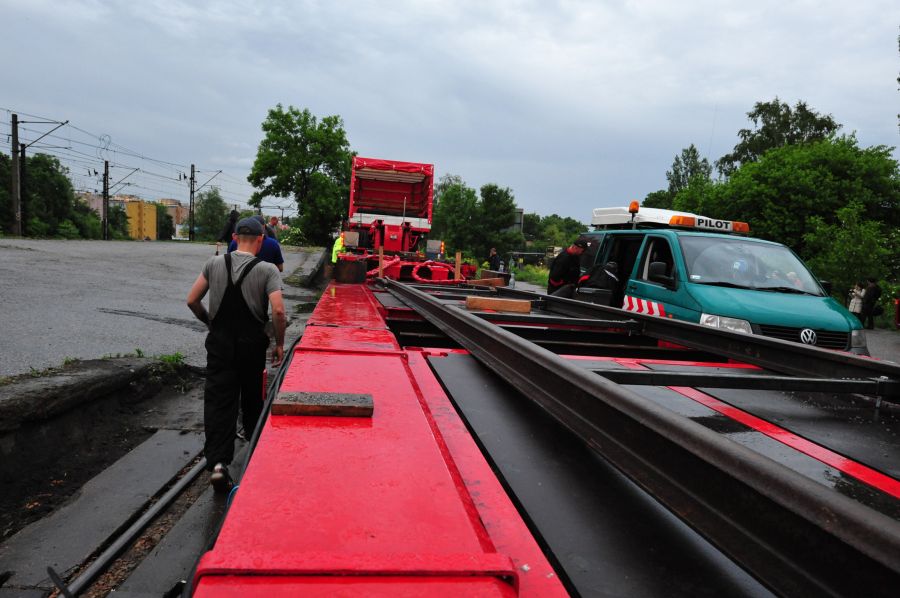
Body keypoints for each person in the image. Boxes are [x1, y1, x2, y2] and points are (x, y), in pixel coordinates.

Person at [187, 217, 287, 492]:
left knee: (219, 401)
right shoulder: (267, 270)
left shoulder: (214, 263)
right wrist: (279, 344)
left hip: (219, 344)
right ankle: (255, 462)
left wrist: (210, 322)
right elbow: (278, 311)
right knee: (253, 399)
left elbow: (191, 300)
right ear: (261, 239)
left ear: (233, 237)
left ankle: (218, 464)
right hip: (251, 345)